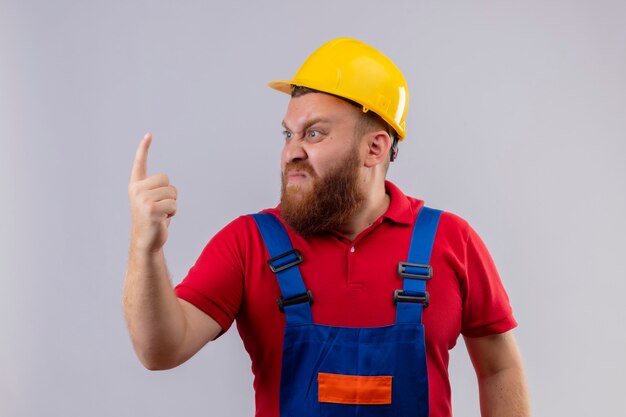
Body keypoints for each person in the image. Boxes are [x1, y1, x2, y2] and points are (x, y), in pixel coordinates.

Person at [124, 38, 530, 417]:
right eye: (288, 133)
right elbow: (160, 350)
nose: (290, 152)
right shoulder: (248, 243)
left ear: (375, 148)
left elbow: (499, 369)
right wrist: (147, 251)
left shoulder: (451, 240)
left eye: (314, 133)